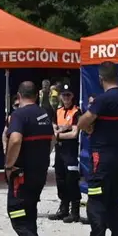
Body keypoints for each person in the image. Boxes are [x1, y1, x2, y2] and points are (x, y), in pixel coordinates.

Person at [74, 61, 118, 236]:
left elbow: (82, 122)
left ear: (100, 79)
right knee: (114, 203)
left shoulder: (102, 100)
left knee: (96, 204)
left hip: (101, 158)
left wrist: (89, 113)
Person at [3, 81, 56, 236]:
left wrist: (9, 165)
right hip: (39, 172)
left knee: (17, 215)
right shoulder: (44, 113)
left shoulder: (19, 115)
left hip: (21, 174)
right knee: (29, 212)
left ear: (19, 95)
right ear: (36, 94)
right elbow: (52, 139)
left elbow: (15, 139)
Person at [50, 85, 82, 223]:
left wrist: (59, 135)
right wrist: (62, 130)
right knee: (60, 179)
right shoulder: (57, 111)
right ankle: (63, 209)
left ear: (72, 96)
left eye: (68, 95)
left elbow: (74, 134)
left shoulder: (76, 111)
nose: (66, 98)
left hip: (70, 150)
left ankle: (75, 212)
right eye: (64, 95)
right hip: (60, 150)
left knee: (72, 180)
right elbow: (54, 128)